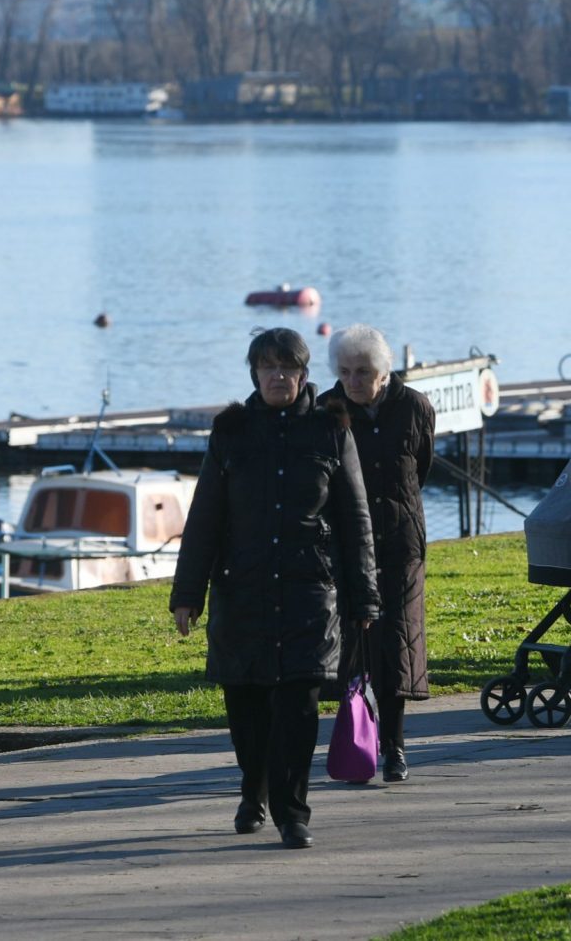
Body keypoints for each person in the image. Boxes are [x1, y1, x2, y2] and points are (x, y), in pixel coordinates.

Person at [172, 328, 379, 848]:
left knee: (297, 707)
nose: (278, 376)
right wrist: (187, 593)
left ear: (304, 375)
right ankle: (253, 790)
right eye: (268, 368)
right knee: (246, 706)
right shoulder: (232, 432)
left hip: (310, 593)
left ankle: (293, 811)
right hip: (242, 592)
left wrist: (365, 595)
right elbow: (204, 519)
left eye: (288, 368)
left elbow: (356, 519)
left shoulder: (331, 430)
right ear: (255, 374)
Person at [319, 325, 436, 785]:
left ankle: (396, 747)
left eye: (363, 372)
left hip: (400, 541)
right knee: (354, 646)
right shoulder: (327, 410)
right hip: (347, 545)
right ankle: (357, 741)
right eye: (345, 371)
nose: (352, 381)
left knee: (397, 647)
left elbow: (419, 467)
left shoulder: (415, 408)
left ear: (384, 373)